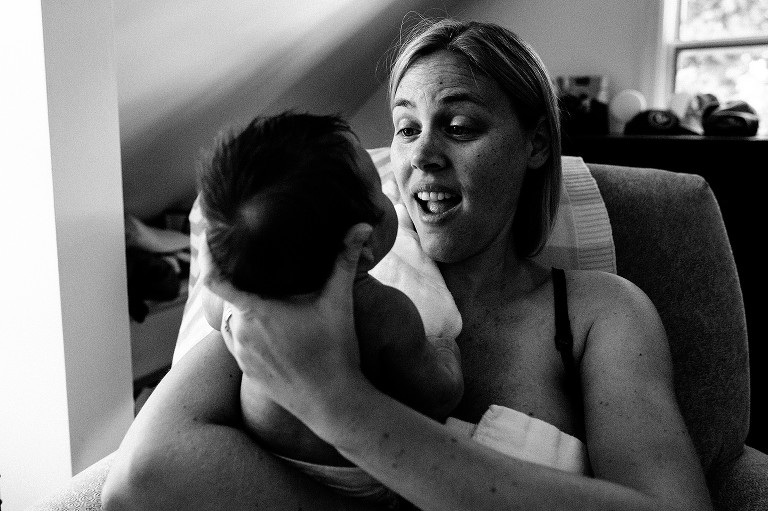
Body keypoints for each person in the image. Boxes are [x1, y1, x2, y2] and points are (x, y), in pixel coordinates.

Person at [102, 17, 714, 511]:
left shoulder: (599, 313)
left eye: (459, 126)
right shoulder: (308, 282)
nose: (422, 155)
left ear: (534, 144)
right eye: (404, 127)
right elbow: (142, 478)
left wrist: (340, 405)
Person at [196, 111, 463, 505]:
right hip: (361, 481)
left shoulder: (232, 301)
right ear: (362, 244)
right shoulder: (383, 312)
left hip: (261, 464)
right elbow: (439, 396)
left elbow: (210, 315)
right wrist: (445, 351)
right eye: (380, 191)